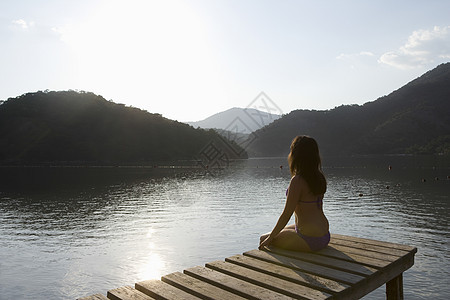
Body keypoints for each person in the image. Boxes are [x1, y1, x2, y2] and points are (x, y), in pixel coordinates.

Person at [259, 135, 330, 252]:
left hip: (310, 240)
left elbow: (287, 214)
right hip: (325, 235)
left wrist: (270, 239)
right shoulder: (319, 177)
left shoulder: (298, 181)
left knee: (264, 238)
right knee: (274, 234)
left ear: (296, 155)